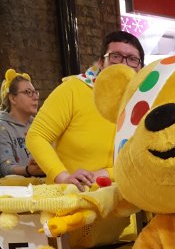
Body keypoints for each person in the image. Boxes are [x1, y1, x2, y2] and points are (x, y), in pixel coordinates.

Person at [26, 30, 144, 191]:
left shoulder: (143, 101)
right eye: (116, 56)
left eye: (132, 59)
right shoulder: (73, 89)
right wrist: (63, 176)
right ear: (102, 63)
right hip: (72, 200)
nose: (123, 64)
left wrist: (106, 173)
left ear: (140, 68)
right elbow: (37, 136)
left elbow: (142, 157)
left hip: (124, 202)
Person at [0, 69, 43, 178]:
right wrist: (28, 171)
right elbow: (5, 167)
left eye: (35, 92)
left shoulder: (39, 125)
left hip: (45, 186)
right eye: (28, 92)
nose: (36, 97)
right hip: (18, 192)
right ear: (13, 98)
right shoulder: (2, 127)